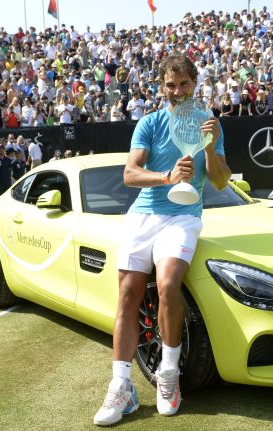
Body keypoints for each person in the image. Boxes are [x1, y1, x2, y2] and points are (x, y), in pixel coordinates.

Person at [93, 54, 231, 426]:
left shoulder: (209, 125)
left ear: (194, 83)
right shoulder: (150, 123)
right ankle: (122, 387)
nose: (177, 91)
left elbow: (219, 181)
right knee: (127, 293)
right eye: (170, 85)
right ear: (161, 86)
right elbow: (129, 174)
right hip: (143, 214)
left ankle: (168, 376)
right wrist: (166, 176)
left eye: (184, 84)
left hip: (185, 215)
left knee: (169, 284)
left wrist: (208, 146)